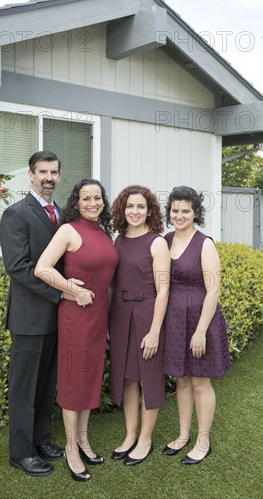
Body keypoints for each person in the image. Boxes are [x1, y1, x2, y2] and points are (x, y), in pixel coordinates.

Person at [0, 151, 89, 477]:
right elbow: (19, 268)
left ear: (60, 176)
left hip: (56, 318)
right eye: (42, 172)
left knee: (46, 383)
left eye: (54, 172)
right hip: (28, 318)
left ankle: (41, 441)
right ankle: (21, 452)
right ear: (31, 175)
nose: (48, 177)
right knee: (25, 387)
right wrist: (63, 290)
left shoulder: (61, 215)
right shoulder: (16, 214)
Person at [34, 178, 118, 482]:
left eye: (98, 198)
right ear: (76, 202)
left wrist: (107, 321)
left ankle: (83, 439)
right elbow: (41, 268)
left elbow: (107, 282)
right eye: (86, 198)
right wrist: (71, 289)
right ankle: (71, 447)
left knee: (90, 380)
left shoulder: (105, 234)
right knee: (74, 382)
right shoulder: (68, 230)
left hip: (98, 320)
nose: (93, 203)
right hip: (75, 318)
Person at [162, 186, 231, 465]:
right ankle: (182, 435)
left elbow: (213, 290)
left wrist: (201, 331)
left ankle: (203, 439)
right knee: (181, 378)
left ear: (195, 213)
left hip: (200, 319)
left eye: (185, 211)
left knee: (200, 381)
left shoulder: (205, 243)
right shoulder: (165, 240)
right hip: (174, 320)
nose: (179, 215)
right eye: (175, 210)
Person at [109, 185, 170, 466]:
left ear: (149, 211)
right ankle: (130, 434)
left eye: (141, 207)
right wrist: (108, 321)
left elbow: (163, 289)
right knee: (128, 377)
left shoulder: (157, 242)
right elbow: (111, 284)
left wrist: (155, 331)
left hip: (147, 313)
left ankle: (145, 439)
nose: (135, 212)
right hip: (120, 314)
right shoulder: (117, 240)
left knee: (148, 376)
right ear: (123, 209)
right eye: (130, 206)